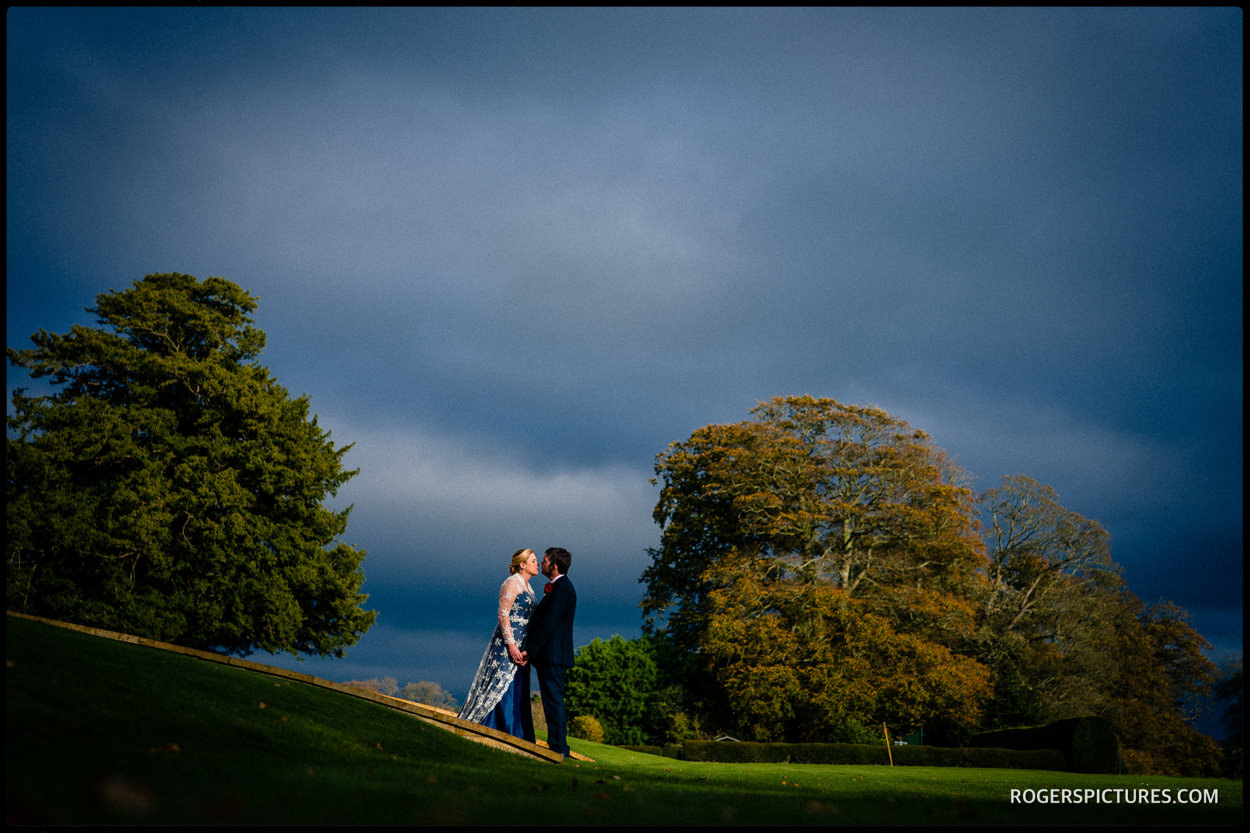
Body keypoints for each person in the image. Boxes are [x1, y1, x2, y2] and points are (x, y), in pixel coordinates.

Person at [458, 548, 541, 742]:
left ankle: (517, 733)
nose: (537, 564)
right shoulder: (511, 583)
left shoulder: (529, 588)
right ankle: (497, 726)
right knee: (502, 682)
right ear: (522, 564)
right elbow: (503, 613)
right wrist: (511, 645)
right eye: (533, 561)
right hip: (507, 644)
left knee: (519, 684)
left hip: (523, 645)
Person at [523, 547, 577, 758]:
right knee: (551, 698)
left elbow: (549, 624)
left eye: (544, 561)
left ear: (554, 565)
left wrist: (530, 650)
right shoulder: (559, 587)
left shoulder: (562, 588)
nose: (541, 564)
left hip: (553, 655)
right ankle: (557, 745)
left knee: (553, 699)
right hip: (552, 654)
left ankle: (558, 747)